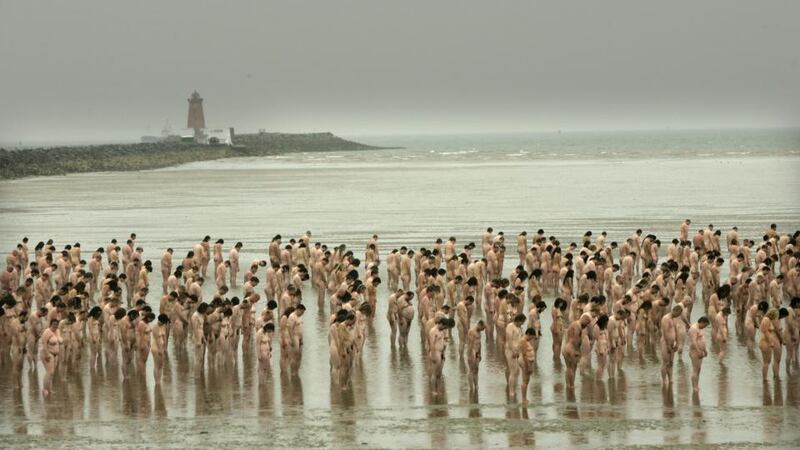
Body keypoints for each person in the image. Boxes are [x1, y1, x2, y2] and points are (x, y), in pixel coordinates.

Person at [660, 305, 682, 388]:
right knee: (665, 362)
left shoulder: (674, 319)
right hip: (665, 343)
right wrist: (668, 345)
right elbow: (665, 333)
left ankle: (670, 379)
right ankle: (664, 380)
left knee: (671, 363)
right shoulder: (666, 318)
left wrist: (677, 343)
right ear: (675, 311)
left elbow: (676, 331)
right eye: (678, 314)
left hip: (672, 343)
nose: (678, 316)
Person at [39, 319, 62, 396]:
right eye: (54, 324)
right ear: (51, 324)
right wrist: (46, 354)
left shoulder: (58, 331)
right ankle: (45, 389)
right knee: (50, 372)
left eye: (56, 324)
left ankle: (50, 389)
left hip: (55, 355)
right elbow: (44, 343)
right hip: (47, 353)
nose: (55, 325)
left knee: (52, 373)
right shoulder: (47, 331)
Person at [688, 317, 709, 393]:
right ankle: (694, 387)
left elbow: (701, 341)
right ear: (702, 322)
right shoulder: (693, 329)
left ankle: (697, 385)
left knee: (698, 370)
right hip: (695, 352)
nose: (704, 327)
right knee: (695, 370)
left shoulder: (699, 328)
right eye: (705, 325)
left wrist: (705, 350)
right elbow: (693, 342)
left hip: (700, 351)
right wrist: (698, 351)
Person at [466, 320, 485, 392]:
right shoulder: (472, 331)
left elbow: (479, 343)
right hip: (472, 352)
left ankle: (476, 386)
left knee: (476, 370)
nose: (483, 330)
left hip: (477, 352)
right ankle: (471, 388)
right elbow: (470, 344)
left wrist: (480, 354)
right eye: (482, 328)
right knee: (471, 370)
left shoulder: (479, 332)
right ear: (479, 325)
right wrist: (471, 355)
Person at [152, 314, 169, 383]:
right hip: (156, 347)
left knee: (161, 365)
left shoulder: (163, 326)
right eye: (163, 322)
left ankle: (159, 380)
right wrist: (160, 349)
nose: (163, 323)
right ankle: (157, 382)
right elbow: (157, 339)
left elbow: (165, 338)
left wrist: (164, 348)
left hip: (161, 347)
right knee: (157, 365)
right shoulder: (155, 327)